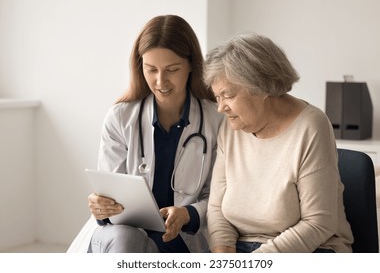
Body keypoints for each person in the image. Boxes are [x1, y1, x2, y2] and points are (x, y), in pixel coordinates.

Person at [67, 15, 223, 253]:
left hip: (183, 235)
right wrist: (101, 207)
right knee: (126, 239)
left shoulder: (216, 119)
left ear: (191, 65)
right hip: (123, 232)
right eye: (151, 70)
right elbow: (109, 188)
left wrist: (188, 213)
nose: (161, 81)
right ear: (140, 67)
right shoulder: (121, 117)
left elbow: (220, 195)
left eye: (172, 69)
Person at [203, 33, 354, 253]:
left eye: (228, 95)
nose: (221, 108)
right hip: (241, 249)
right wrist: (223, 254)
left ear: (260, 87)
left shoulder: (311, 126)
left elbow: (318, 223)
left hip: (310, 249)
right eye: (218, 97)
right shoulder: (232, 126)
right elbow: (216, 208)